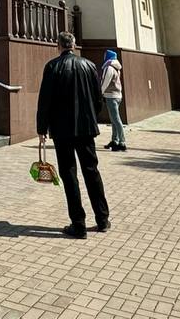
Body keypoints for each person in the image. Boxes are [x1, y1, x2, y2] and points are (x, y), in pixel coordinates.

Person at [36, 31, 109, 238]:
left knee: (69, 175)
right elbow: (98, 98)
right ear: (74, 45)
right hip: (86, 128)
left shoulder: (52, 67)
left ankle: (78, 223)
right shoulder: (89, 65)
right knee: (91, 171)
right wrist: (91, 117)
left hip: (62, 130)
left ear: (58, 46)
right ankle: (102, 219)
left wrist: (42, 128)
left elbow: (45, 100)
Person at [100, 50, 125, 151]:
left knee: (116, 119)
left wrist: (100, 93)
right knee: (114, 120)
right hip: (117, 95)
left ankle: (122, 142)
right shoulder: (116, 67)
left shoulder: (109, 67)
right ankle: (115, 140)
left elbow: (105, 82)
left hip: (111, 96)